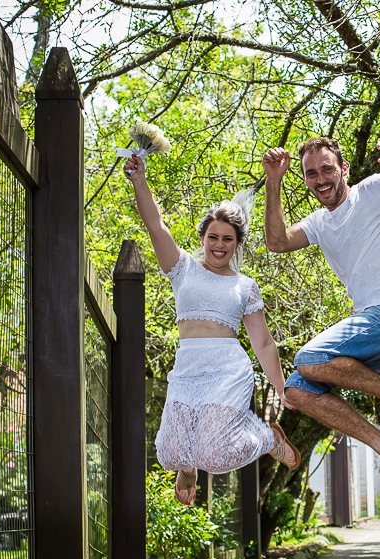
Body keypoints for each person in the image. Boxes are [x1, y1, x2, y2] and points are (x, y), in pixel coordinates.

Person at [261, 133, 380, 502]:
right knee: (297, 388)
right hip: (374, 327)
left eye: (327, 169)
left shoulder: (373, 191)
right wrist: (274, 181)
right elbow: (277, 242)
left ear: (343, 169)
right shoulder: (319, 223)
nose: (320, 180)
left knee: (308, 357)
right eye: (311, 174)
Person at [124, 154, 300, 507]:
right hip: (188, 367)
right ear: (202, 237)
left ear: (237, 244)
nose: (220, 245)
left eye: (228, 239)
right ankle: (187, 469)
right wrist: (140, 182)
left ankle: (268, 439)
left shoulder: (245, 286)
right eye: (213, 237)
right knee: (168, 453)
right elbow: (156, 226)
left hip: (227, 368)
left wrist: (282, 389)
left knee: (216, 456)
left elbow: (262, 343)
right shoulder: (182, 268)